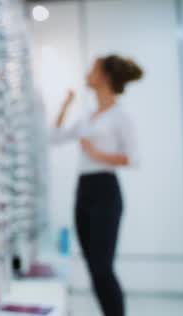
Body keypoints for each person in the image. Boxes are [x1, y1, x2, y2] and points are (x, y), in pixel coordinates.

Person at [51, 55, 143, 316]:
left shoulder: (120, 116)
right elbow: (56, 137)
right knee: (93, 266)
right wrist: (65, 105)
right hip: (84, 189)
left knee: (103, 267)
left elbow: (133, 158)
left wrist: (96, 153)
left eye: (93, 70)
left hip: (106, 189)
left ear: (105, 77)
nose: (87, 74)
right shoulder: (88, 116)